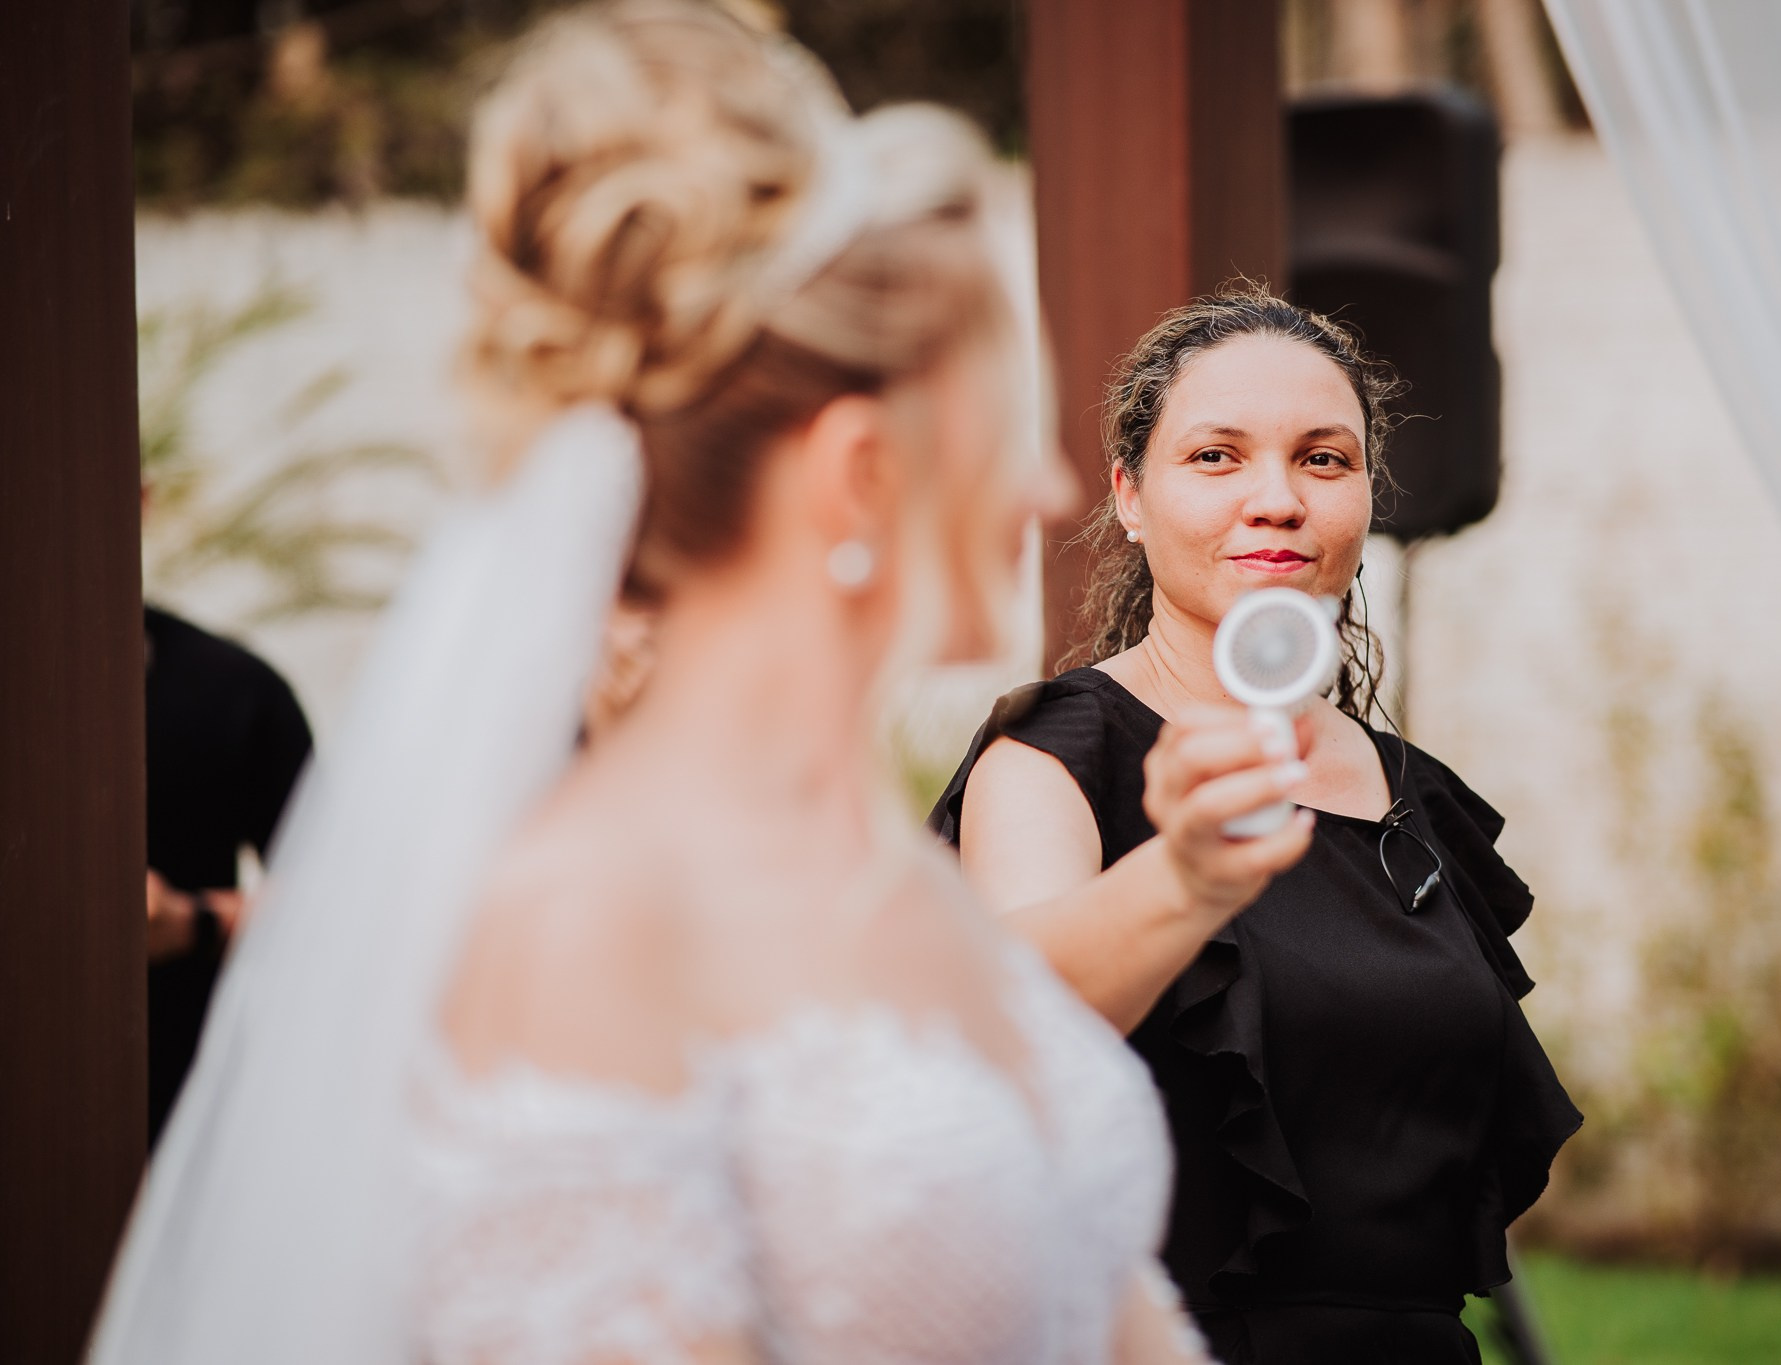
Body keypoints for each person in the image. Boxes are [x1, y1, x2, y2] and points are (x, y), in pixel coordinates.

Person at [91, 4, 1213, 1363]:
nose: (1046, 487)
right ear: (859, 468)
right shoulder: (581, 924)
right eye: (1014, 424)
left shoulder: (888, 861)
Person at [933, 288, 1583, 1365]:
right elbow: (1011, 1022)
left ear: (1366, 498)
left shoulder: (1411, 790)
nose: (1275, 499)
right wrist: (1182, 878)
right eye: (1216, 457)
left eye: (1322, 460)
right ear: (1127, 497)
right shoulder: (1057, 754)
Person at [142, 604, 313, 1144]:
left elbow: (333, 905)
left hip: (178, 1099)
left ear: (142, 511)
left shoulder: (236, 688)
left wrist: (195, 921)